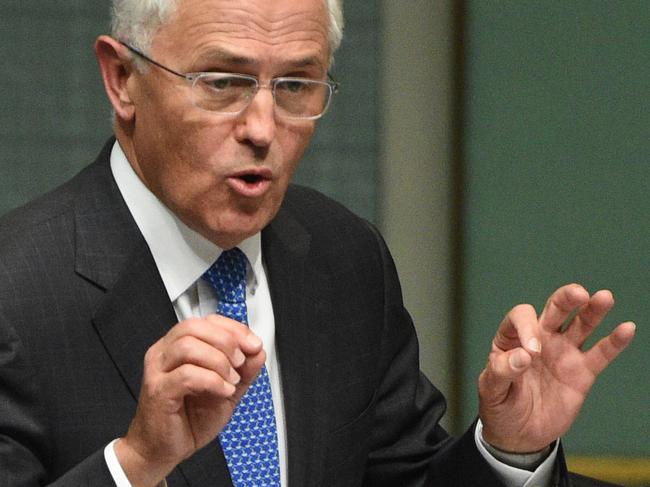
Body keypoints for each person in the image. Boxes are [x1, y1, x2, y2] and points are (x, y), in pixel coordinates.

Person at [0, 0, 636, 486]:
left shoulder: (341, 257)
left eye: (296, 86)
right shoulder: (16, 289)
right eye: (223, 82)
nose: (262, 128)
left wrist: (508, 450)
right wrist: (134, 466)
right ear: (122, 80)